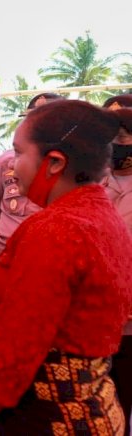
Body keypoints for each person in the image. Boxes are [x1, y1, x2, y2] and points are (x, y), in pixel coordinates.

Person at [0, 100, 132, 436]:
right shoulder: (100, 213)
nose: (12, 167)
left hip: (41, 417)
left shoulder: (57, 231)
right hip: (92, 407)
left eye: (18, 152)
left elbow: (14, 353)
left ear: (54, 163)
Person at [0, 92, 64, 403]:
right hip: (7, 262)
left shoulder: (72, 170)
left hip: (50, 272)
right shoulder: (6, 163)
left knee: (42, 350)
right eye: (32, 116)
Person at [0, 92, 63, 267]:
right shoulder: (5, 163)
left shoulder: (73, 168)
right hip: (6, 256)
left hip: (51, 260)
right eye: (30, 120)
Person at [102, 94, 132, 436]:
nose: (115, 143)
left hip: (130, 325)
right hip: (92, 320)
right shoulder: (92, 180)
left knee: (122, 403)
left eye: (123, 136)